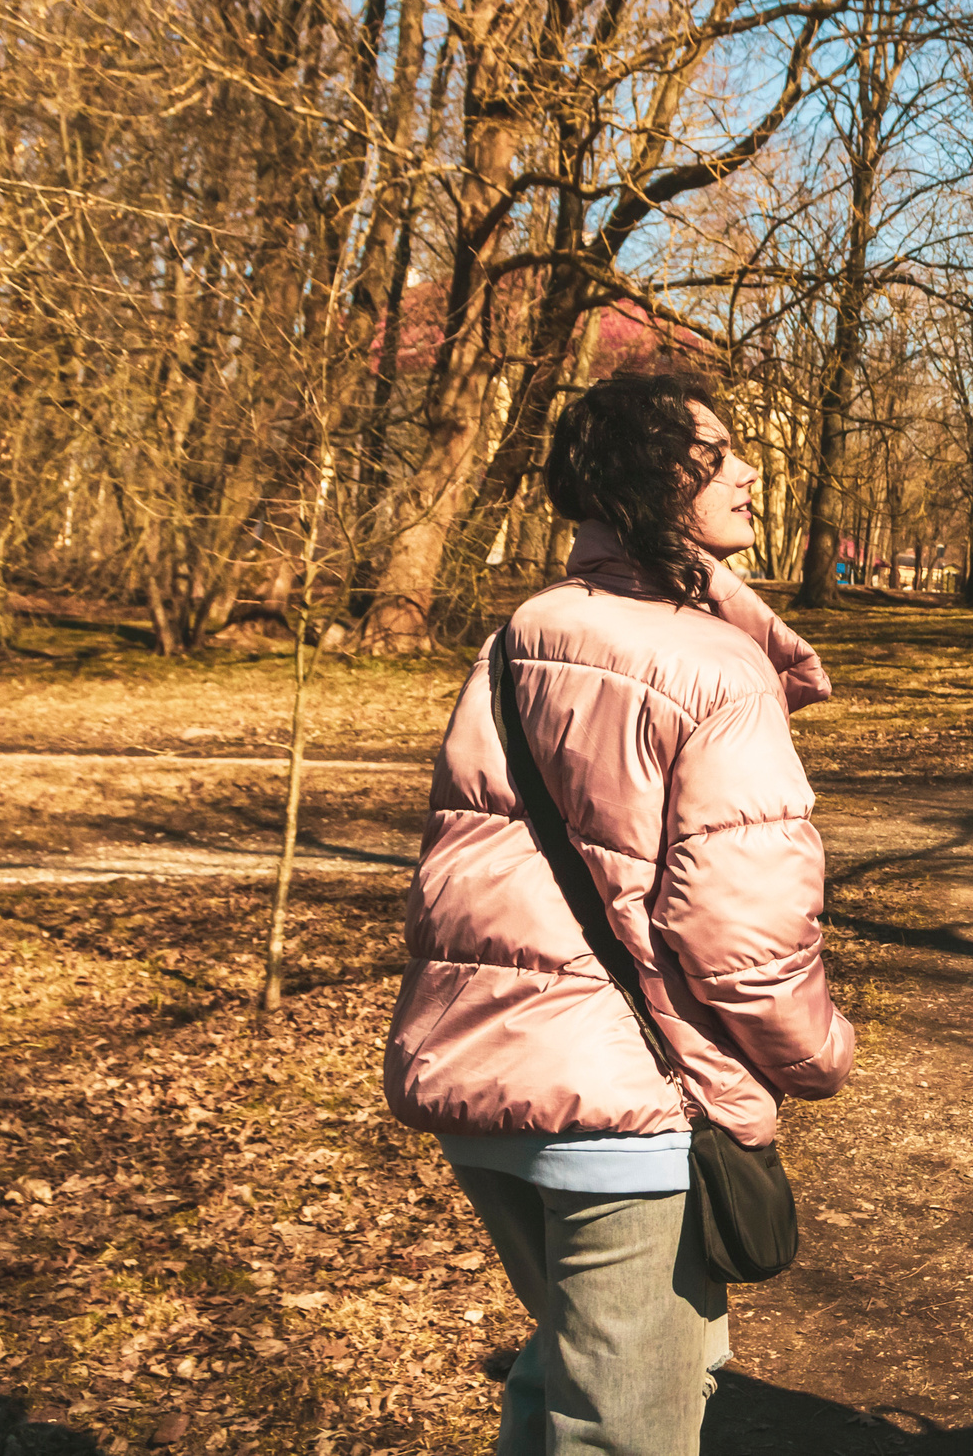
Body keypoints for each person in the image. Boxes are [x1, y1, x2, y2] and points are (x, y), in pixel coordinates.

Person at [385, 369, 856, 1455]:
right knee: (626, 1423)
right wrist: (820, 1051)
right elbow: (743, 935)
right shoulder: (717, 667)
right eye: (715, 454)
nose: (749, 473)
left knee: (565, 1374)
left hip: (480, 1081)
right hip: (620, 1112)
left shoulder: (524, 631)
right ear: (648, 480)